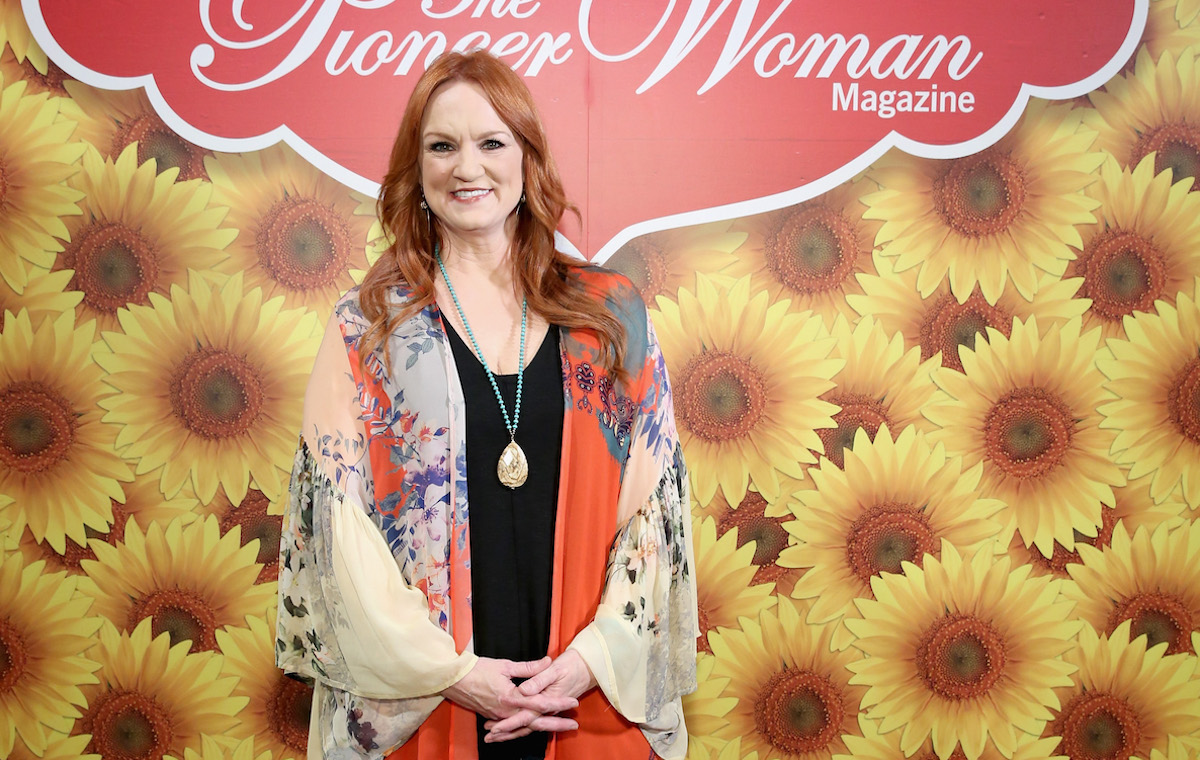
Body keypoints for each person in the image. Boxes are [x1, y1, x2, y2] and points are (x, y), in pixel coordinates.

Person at [275, 49, 697, 760]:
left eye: (491, 142)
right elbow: (339, 536)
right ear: (416, 174)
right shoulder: (368, 327)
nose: (466, 167)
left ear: (528, 160)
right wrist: (457, 674)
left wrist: (590, 663)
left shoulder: (610, 314)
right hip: (433, 701)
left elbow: (655, 516)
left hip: (581, 698)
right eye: (441, 146)